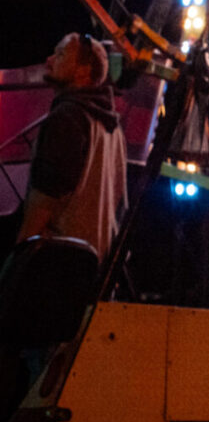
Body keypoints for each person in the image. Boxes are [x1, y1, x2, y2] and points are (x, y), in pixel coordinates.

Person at [16, 33, 126, 260]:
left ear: (83, 71)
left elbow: (45, 200)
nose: (49, 60)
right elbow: (119, 207)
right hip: (90, 270)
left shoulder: (66, 118)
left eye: (61, 54)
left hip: (52, 266)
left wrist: (17, 260)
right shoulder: (114, 131)